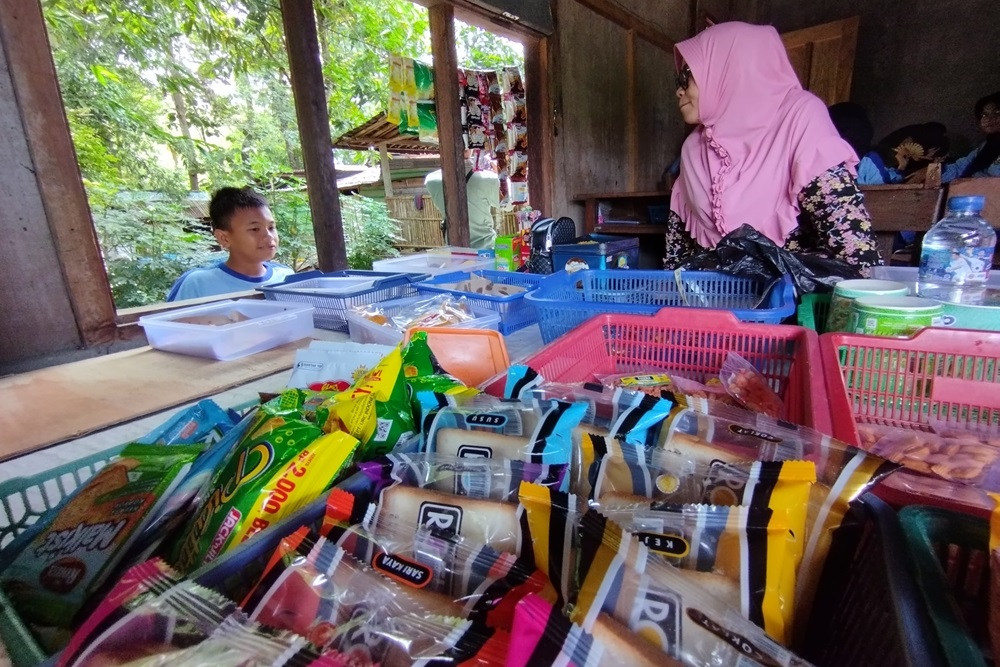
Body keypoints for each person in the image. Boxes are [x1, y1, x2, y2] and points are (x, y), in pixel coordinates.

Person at [662, 22, 882, 274]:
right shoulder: (693, 149)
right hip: (714, 298)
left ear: (728, 69)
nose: (679, 91)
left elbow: (853, 248)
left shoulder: (799, 117)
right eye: (679, 79)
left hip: (792, 304)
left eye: (687, 76)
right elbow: (676, 256)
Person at [167, 187, 294, 301]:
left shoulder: (286, 277)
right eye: (254, 229)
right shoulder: (197, 284)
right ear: (224, 238)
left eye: (271, 227)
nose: (269, 236)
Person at [424, 149, 500, 250]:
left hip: (454, 250)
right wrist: (500, 177)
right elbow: (508, 205)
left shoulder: (431, 180)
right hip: (485, 249)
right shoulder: (489, 178)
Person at [942, 91, 1000, 183]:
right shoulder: (986, 146)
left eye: (997, 113)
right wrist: (934, 171)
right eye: (984, 115)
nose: (989, 119)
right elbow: (959, 168)